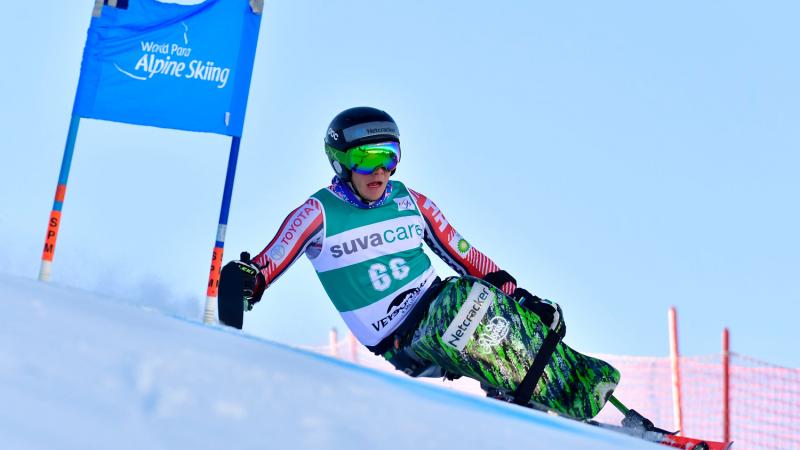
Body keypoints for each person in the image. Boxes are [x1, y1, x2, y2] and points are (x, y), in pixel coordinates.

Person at [225, 106, 565, 384]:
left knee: (520, 319)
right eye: (365, 159)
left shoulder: (411, 201)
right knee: (467, 301)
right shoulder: (318, 213)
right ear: (340, 162)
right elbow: (268, 263)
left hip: (443, 308)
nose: (379, 171)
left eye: (388, 157)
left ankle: (557, 391)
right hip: (403, 339)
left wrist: (519, 297)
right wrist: (247, 279)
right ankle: (520, 383)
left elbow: (466, 257)